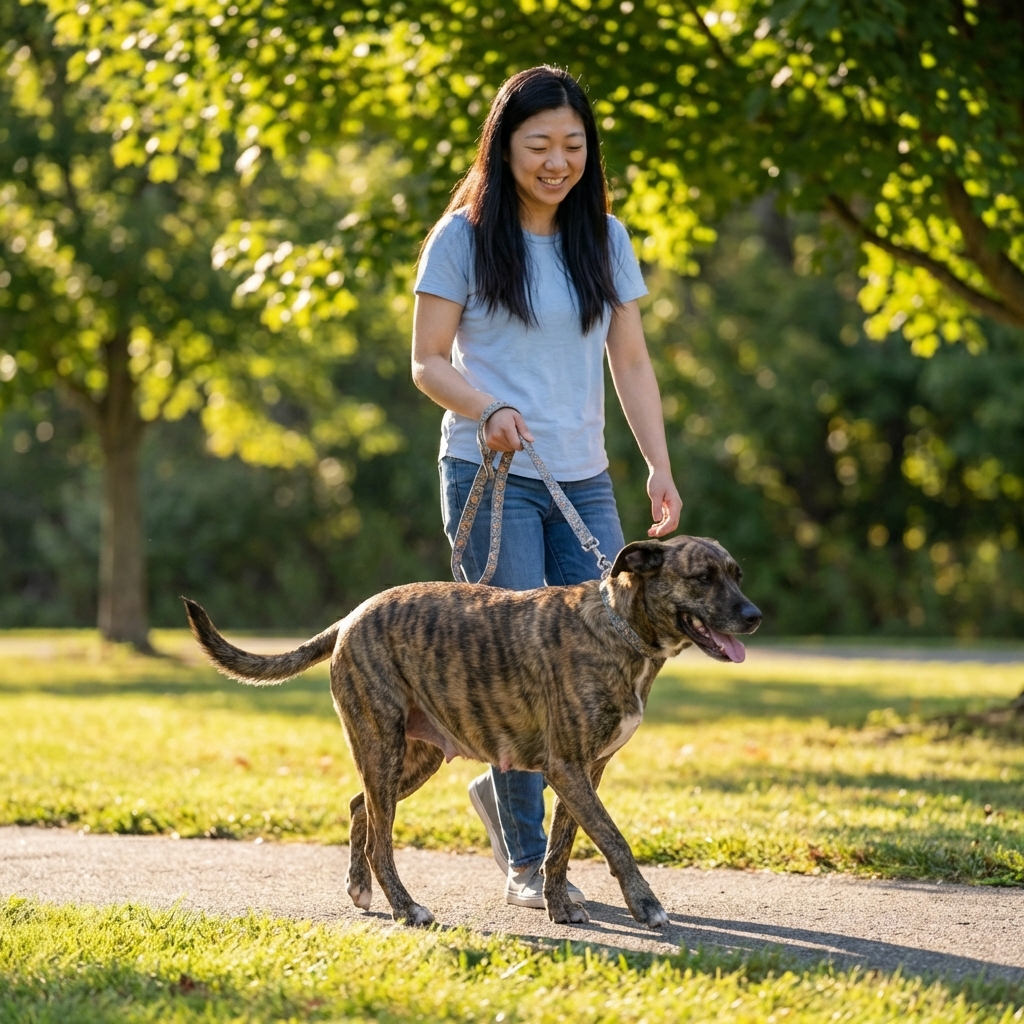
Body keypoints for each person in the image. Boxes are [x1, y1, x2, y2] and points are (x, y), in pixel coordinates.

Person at [410, 65, 682, 908]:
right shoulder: (461, 237)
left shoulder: (604, 238)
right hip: (490, 471)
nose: (557, 161)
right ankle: (528, 860)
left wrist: (659, 464)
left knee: (607, 663)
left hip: (584, 477)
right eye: (539, 145)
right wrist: (486, 404)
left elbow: (629, 362)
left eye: (573, 144)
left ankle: (513, 806)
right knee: (515, 669)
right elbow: (426, 361)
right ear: (505, 147)